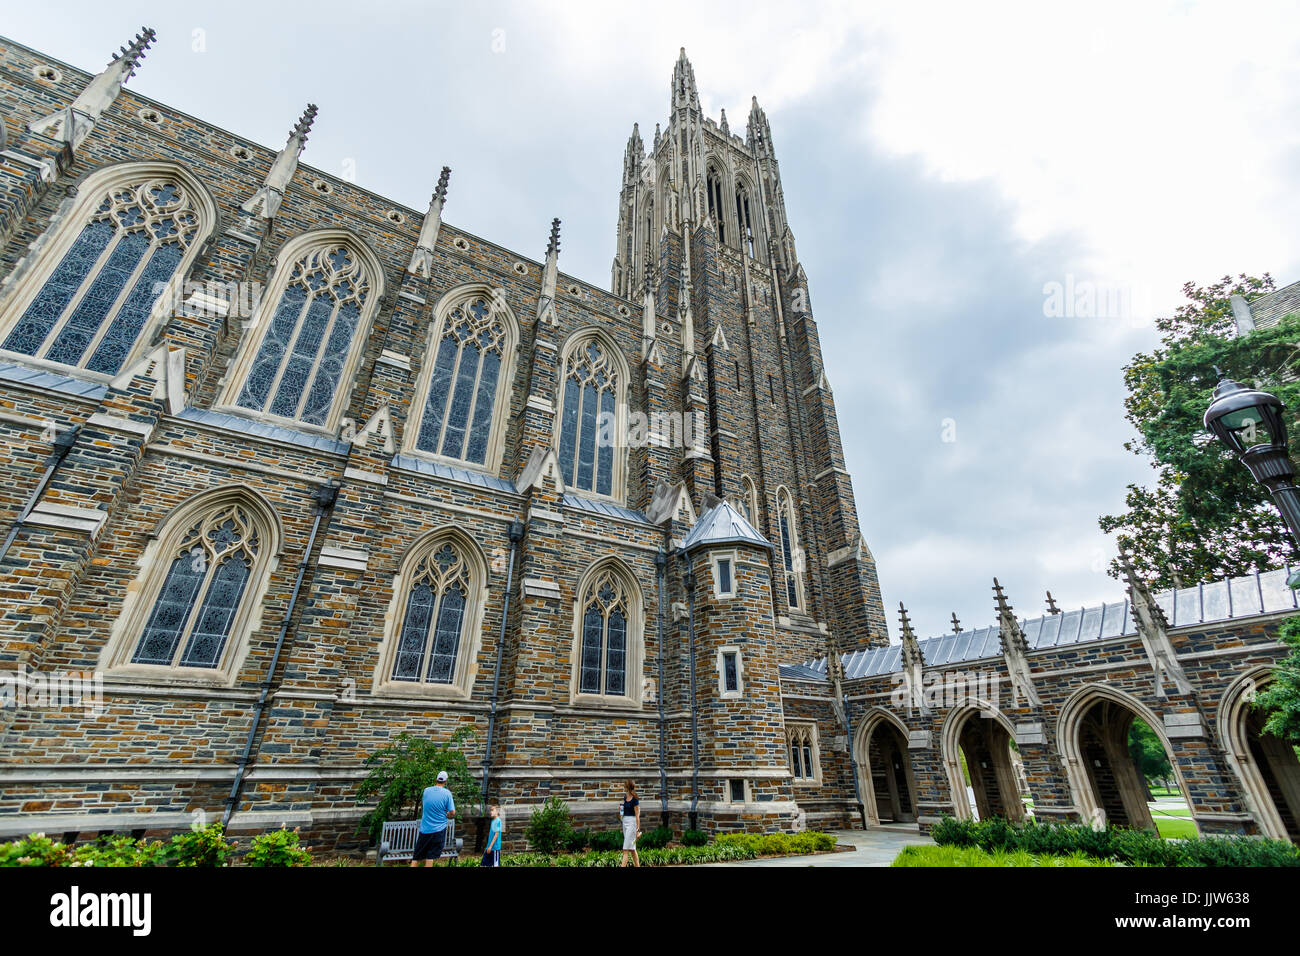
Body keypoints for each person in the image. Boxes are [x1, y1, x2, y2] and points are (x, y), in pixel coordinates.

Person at [411, 770, 456, 867]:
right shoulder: (447, 793)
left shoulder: (426, 791)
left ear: (436, 779)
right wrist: (447, 815)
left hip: (425, 829)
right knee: (430, 856)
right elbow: (453, 812)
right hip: (438, 831)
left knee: (416, 856)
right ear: (445, 781)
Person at [619, 780, 640, 867]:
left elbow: (637, 815)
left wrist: (638, 829)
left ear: (627, 787)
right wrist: (620, 809)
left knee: (625, 849)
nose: (624, 787)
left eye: (625, 786)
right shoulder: (625, 797)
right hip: (625, 822)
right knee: (632, 849)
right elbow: (622, 813)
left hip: (632, 823)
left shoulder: (635, 800)